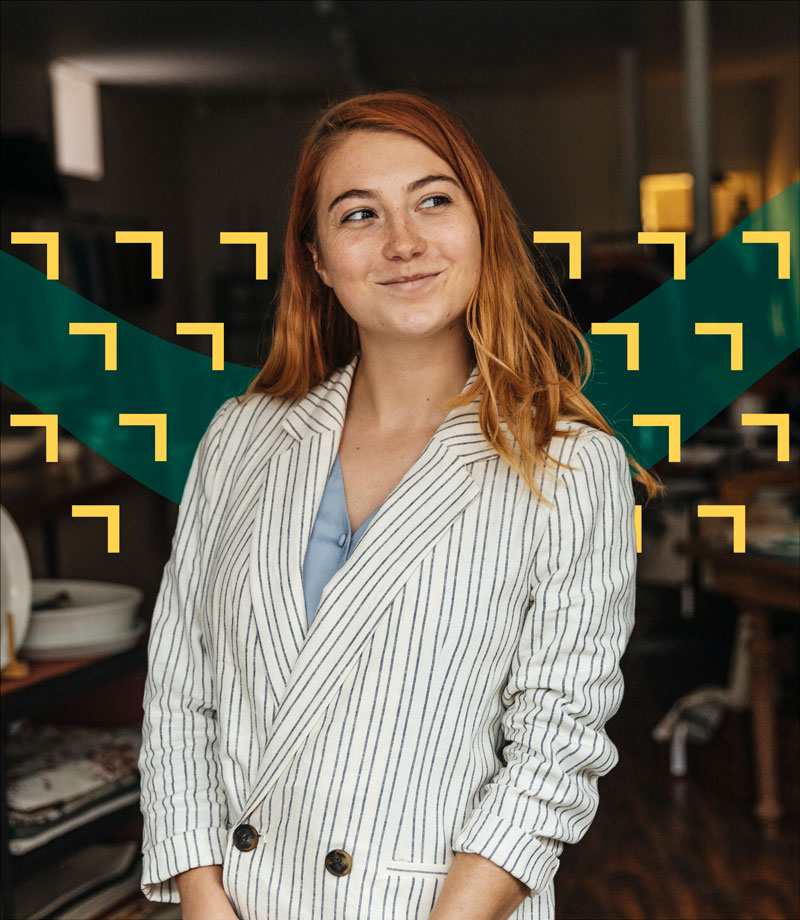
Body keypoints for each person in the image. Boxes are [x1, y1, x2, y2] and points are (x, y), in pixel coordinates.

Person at [138, 90, 661, 920]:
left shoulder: (569, 464)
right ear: (315, 257)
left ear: (482, 225)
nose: (404, 242)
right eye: (358, 215)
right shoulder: (239, 437)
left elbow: (556, 747)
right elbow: (178, 692)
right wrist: (202, 899)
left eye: (433, 200)